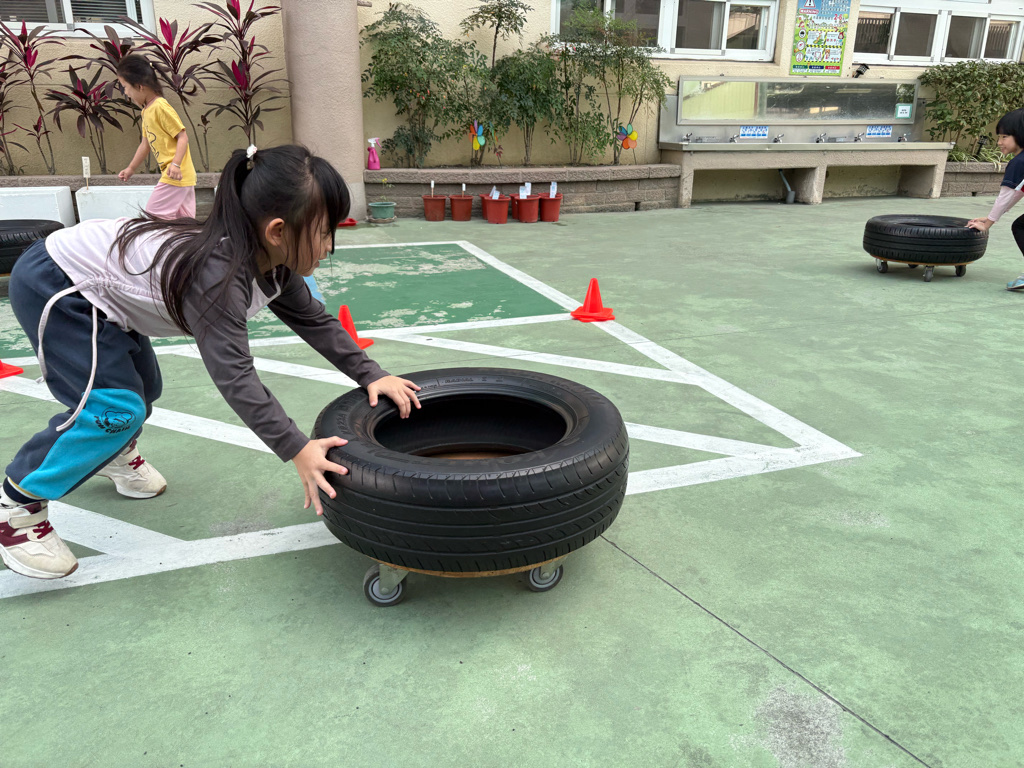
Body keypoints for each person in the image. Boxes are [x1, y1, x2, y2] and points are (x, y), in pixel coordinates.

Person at [0, 145, 421, 581]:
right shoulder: (218, 279)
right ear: (278, 230)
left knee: (144, 391)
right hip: (60, 283)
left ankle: (113, 453)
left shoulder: (274, 262)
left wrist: (372, 374)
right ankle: (17, 507)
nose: (330, 246)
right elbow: (235, 376)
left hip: (103, 289)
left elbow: (314, 320)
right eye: (325, 233)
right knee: (114, 409)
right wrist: (297, 448)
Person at [116, 53, 197, 219]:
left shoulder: (160, 107)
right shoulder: (147, 111)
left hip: (176, 173)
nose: (126, 92)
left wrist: (175, 164)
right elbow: (145, 144)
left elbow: (182, 137)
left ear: (139, 86)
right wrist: (131, 168)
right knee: (184, 222)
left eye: (125, 87)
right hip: (180, 174)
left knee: (154, 214)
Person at [967, 109, 1024, 290]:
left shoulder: (1019, 162)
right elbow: (1017, 193)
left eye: (1004, 137)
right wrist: (991, 217)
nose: (999, 142)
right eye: (998, 137)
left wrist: (987, 224)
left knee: (1020, 227)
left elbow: (1005, 196)